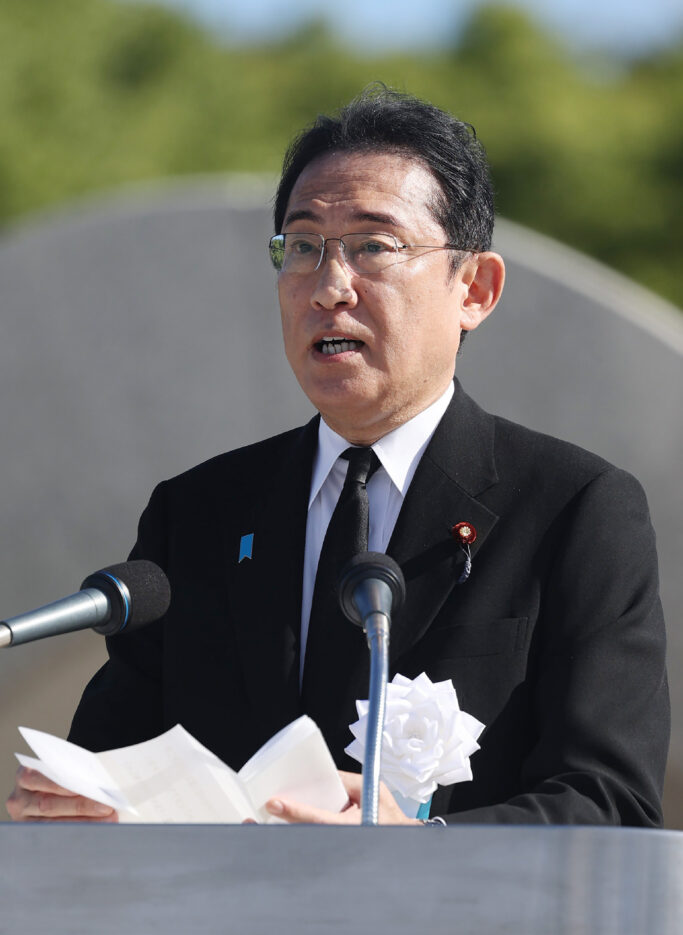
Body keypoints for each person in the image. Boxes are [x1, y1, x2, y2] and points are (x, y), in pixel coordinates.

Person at [7, 87, 669, 827]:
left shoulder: (571, 507)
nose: (328, 287)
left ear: (474, 288)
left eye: (373, 247)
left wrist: (417, 847)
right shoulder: (198, 512)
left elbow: (608, 804)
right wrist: (73, 810)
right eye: (301, 248)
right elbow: (114, 756)